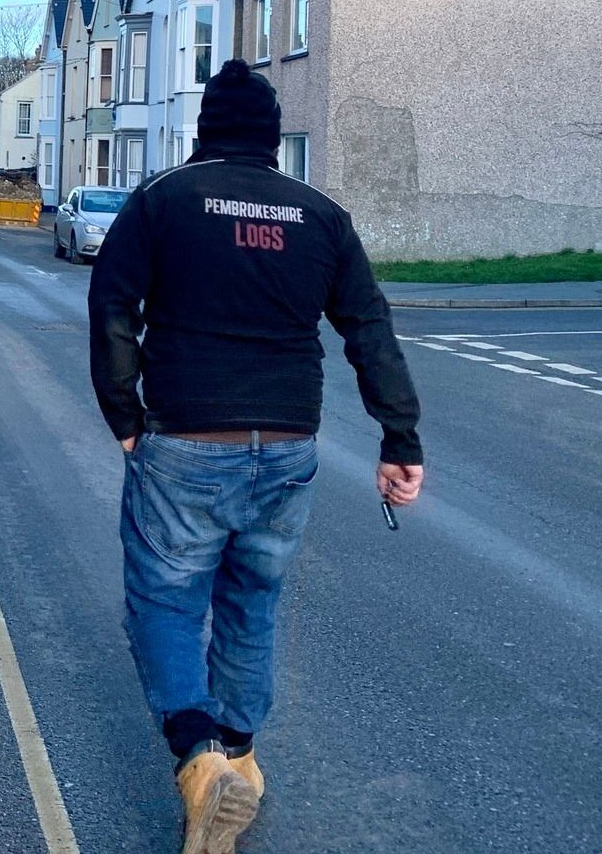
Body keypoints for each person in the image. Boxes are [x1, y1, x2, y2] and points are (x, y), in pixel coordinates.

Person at [87, 60, 424, 854]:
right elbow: (368, 328)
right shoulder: (321, 216)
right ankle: (242, 750)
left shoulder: (162, 200)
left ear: (206, 128)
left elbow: (112, 304)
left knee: (165, 602)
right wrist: (399, 438)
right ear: (273, 137)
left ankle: (203, 764)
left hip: (186, 438)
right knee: (253, 600)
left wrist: (124, 417)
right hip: (287, 444)